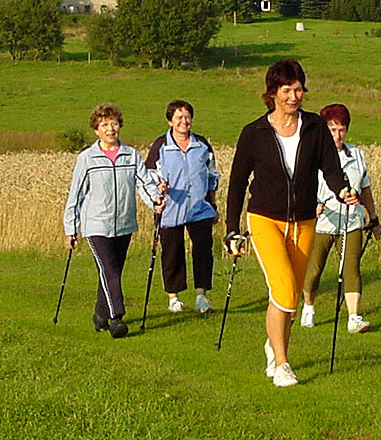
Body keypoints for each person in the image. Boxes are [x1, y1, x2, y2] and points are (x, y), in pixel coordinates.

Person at [225, 59, 359, 387]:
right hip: (264, 219)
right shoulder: (253, 133)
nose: (293, 96)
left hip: (304, 221)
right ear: (272, 93)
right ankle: (282, 365)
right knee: (283, 289)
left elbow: (330, 168)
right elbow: (237, 183)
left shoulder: (314, 128)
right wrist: (231, 230)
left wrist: (343, 189)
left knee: (293, 298)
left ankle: (275, 345)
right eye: (286, 90)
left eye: (298, 89)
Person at [63, 103, 161, 339]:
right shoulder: (87, 158)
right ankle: (117, 317)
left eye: (114, 123)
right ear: (96, 129)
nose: (110, 129)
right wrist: (71, 229)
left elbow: (144, 183)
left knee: (111, 271)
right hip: (96, 225)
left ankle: (100, 314)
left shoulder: (131, 155)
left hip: (124, 223)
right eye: (104, 124)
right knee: (110, 270)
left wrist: (156, 201)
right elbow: (75, 194)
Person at [300, 103, 381, 333]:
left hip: (352, 220)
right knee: (315, 268)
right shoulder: (312, 155)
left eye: (341, 130)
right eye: (332, 129)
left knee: (351, 268)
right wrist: (312, 206)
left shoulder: (356, 155)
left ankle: (354, 317)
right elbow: (303, 186)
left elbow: (365, 188)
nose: (337, 135)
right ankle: (308, 307)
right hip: (324, 221)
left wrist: (373, 216)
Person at [142, 100, 220, 315]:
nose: (184, 122)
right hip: (170, 209)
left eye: (187, 117)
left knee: (203, 252)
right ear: (170, 121)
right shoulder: (161, 146)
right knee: (172, 253)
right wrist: (159, 188)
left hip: (200, 207)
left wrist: (213, 203)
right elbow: (149, 176)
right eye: (179, 118)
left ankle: (202, 296)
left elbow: (211, 175)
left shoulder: (202, 145)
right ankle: (174, 298)